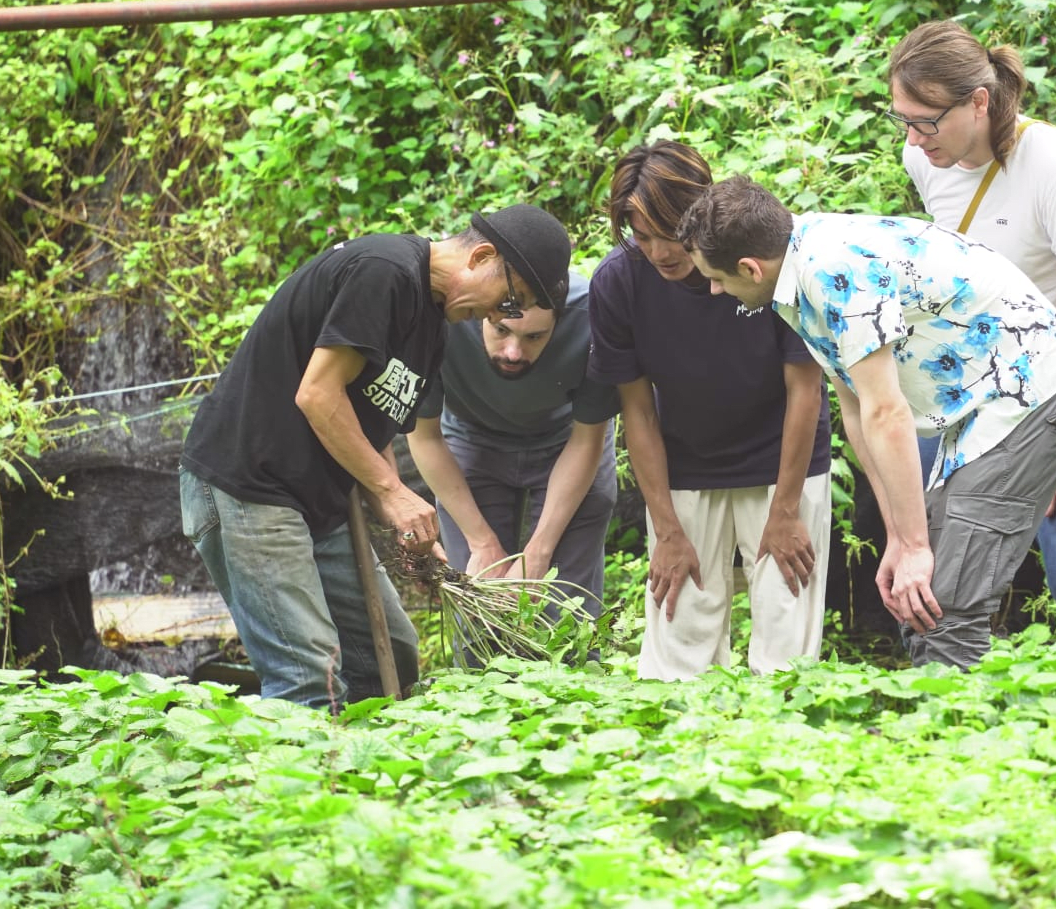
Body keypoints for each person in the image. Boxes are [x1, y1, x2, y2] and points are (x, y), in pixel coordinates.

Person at [677, 175, 1056, 669]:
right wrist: (901, 541)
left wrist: (918, 545)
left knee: (945, 602)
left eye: (716, 277)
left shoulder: (832, 270)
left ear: (750, 267)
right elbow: (856, 409)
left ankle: (957, 739)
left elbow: (887, 411)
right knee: (918, 600)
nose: (711, 289)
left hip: (1030, 392)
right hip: (985, 410)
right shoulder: (798, 273)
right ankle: (943, 729)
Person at [179, 204, 573, 709]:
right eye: (510, 299)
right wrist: (392, 491)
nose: (499, 317)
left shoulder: (433, 323)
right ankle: (303, 783)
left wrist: (398, 516)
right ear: (481, 256)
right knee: (307, 673)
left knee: (391, 656)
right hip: (249, 486)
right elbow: (318, 395)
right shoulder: (384, 271)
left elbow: (373, 423)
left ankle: (365, 777)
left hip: (320, 500)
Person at [887, 19, 1056, 658]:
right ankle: (940, 716)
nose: (916, 139)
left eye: (928, 121)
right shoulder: (924, 158)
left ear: (979, 101)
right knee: (936, 574)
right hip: (963, 393)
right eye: (904, 121)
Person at [590, 141, 833, 681]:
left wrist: (787, 509)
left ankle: (782, 747)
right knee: (679, 634)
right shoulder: (619, 281)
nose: (658, 252)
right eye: (641, 235)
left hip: (783, 462)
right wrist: (666, 528)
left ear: (699, 210)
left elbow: (805, 390)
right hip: (685, 464)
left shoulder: (768, 261)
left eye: (669, 231)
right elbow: (638, 413)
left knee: (787, 640)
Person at [406, 267, 620, 625]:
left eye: (535, 337)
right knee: (480, 608)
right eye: (501, 330)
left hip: (567, 442)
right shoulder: (442, 312)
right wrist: (481, 542)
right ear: (484, 313)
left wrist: (539, 551)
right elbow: (423, 436)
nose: (513, 352)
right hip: (471, 439)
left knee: (566, 613)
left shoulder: (593, 313)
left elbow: (587, 439)